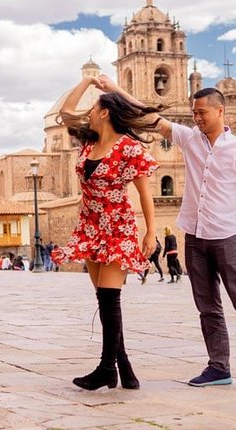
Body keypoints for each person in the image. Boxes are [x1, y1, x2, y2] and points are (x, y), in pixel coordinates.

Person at [96, 77, 236, 387]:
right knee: (207, 305)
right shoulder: (188, 139)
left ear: (220, 111)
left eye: (202, 113)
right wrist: (114, 89)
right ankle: (218, 367)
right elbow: (149, 117)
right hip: (195, 236)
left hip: (228, 236)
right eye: (194, 113)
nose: (197, 118)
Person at [52, 74, 162, 391]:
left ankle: (105, 369)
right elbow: (66, 112)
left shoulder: (128, 148)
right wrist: (87, 81)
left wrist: (150, 232)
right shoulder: (89, 142)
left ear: (105, 113)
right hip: (89, 228)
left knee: (110, 300)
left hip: (116, 228)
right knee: (104, 299)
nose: (88, 112)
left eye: (95, 108)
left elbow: (144, 193)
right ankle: (124, 369)